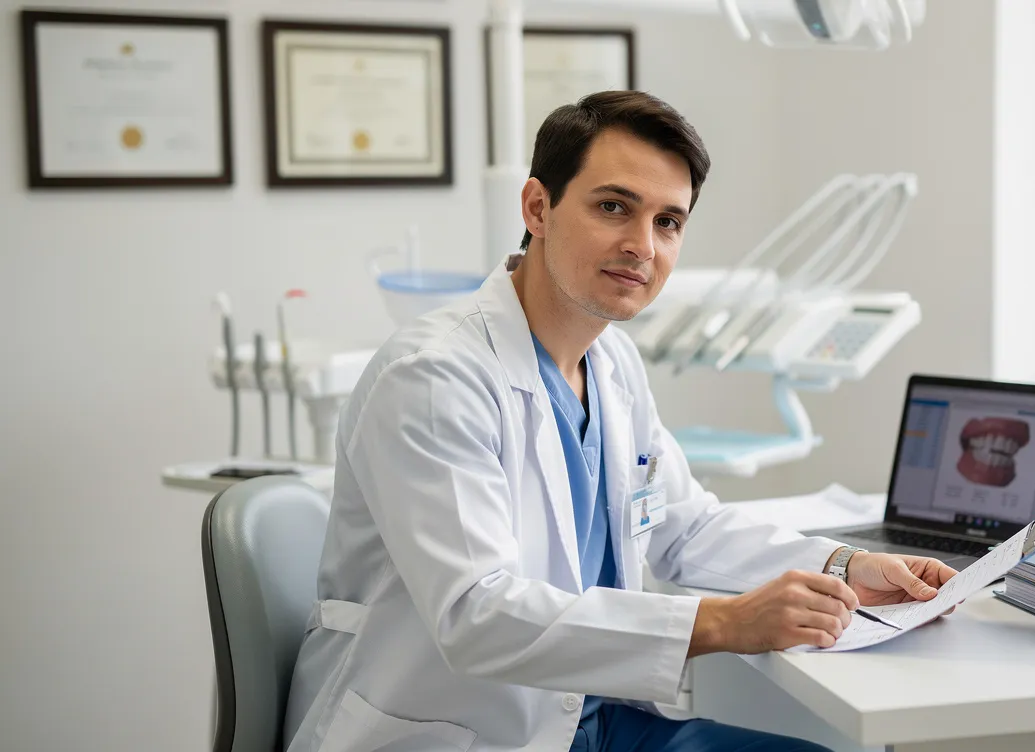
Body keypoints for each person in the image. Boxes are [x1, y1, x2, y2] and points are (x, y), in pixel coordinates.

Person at [282, 90, 957, 752]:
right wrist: (722, 621)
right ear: (537, 207)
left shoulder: (610, 363)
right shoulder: (434, 377)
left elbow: (683, 528)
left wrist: (844, 566)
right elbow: (476, 616)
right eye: (614, 207)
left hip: (596, 722)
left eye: (668, 222)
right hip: (462, 734)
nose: (642, 245)